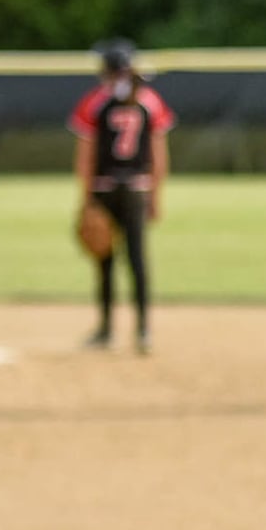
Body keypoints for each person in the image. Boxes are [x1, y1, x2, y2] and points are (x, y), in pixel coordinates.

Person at [67, 40, 175, 355]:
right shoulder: (150, 100)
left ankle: (106, 331)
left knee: (104, 260)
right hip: (138, 188)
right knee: (138, 259)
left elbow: (84, 159)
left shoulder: (94, 102)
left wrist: (86, 200)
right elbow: (159, 156)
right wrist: (156, 195)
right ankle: (143, 332)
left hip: (103, 188)